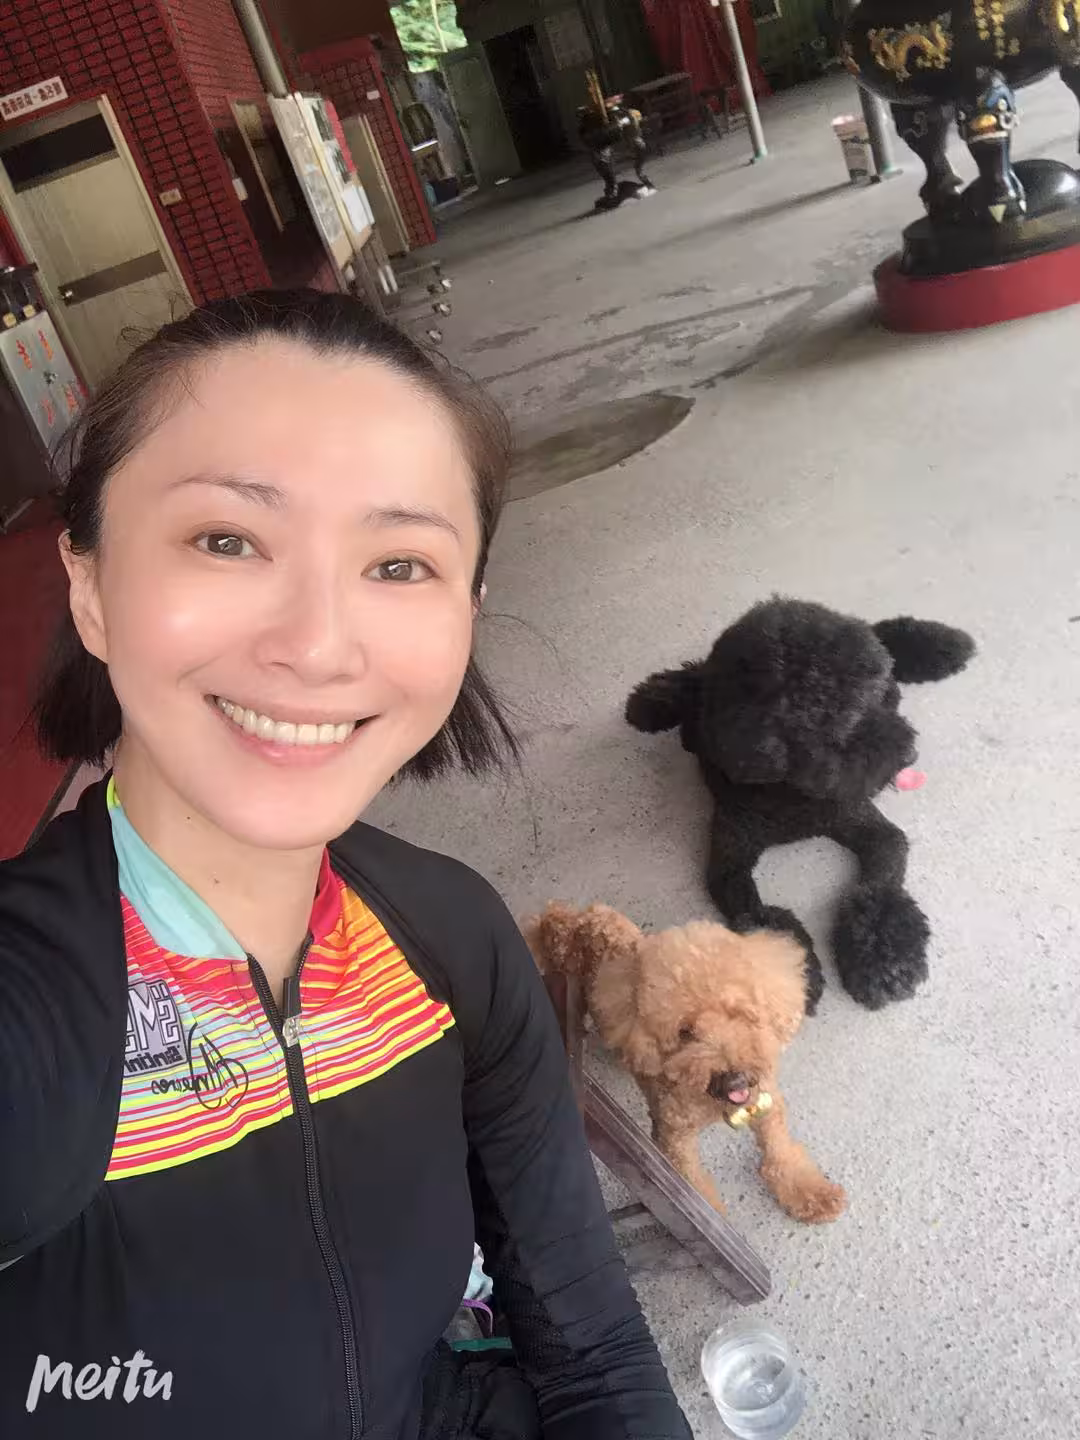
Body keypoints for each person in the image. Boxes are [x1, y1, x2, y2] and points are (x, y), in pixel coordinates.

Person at [0, 290, 691, 1440]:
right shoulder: (31, 1006)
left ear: (468, 612)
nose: (318, 646)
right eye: (226, 540)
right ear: (91, 590)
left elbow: (592, 1346)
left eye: (400, 564)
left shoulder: (451, 937)